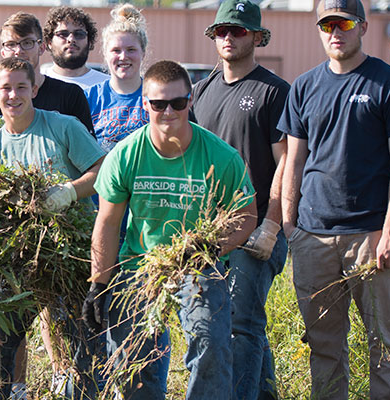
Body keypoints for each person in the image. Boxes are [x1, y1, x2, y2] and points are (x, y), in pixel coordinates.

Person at [82, 60, 258, 399]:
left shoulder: (219, 156)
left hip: (197, 265)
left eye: (178, 103)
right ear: (145, 104)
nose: (169, 112)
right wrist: (98, 283)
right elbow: (107, 222)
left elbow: (245, 216)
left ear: (189, 101)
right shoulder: (126, 154)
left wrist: (210, 247)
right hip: (140, 265)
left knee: (209, 340)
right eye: (159, 104)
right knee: (132, 356)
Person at [279, 0, 390, 397]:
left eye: (343, 23)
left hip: (370, 237)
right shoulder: (305, 86)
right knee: (323, 348)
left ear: (362, 26)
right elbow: (294, 160)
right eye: (327, 25)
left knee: (386, 346)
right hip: (313, 237)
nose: (335, 33)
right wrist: (292, 227)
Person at [0, 57, 106, 400]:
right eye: (6, 88)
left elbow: (101, 168)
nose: (13, 95)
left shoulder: (63, 127)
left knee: (84, 341)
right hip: (21, 260)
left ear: (34, 89)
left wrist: (69, 192)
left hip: (72, 251)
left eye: (21, 87)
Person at [188, 1, 290, 398]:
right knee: (233, 323)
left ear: (257, 37)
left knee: (241, 323)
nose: (229, 38)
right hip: (213, 231)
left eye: (239, 31)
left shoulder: (274, 92)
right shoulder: (202, 92)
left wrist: (272, 226)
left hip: (258, 226)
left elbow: (287, 165)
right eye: (222, 31)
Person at [0, 12, 93, 168]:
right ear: (3, 52)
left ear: (42, 47)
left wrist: (69, 191)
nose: (18, 51)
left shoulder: (70, 95)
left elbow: (91, 162)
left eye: (27, 42)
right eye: (11, 44)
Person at [86, 4, 150, 151]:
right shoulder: (89, 98)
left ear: (143, 53)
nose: (123, 57)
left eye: (131, 50)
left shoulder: (156, 96)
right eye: (116, 50)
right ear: (105, 54)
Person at [42, 6, 109, 92]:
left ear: (89, 42)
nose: (71, 39)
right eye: (63, 34)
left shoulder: (108, 86)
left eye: (79, 34)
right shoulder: (36, 84)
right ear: (49, 42)